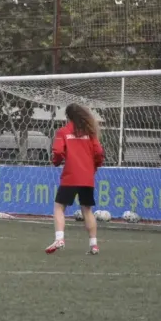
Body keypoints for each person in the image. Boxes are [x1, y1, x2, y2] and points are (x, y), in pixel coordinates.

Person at [46, 103, 105, 255]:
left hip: (71, 176)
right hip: (87, 177)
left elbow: (58, 151)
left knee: (59, 207)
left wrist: (57, 161)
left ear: (68, 116)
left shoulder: (63, 131)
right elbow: (98, 152)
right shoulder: (90, 132)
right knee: (87, 210)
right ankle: (94, 245)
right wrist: (94, 167)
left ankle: (60, 238)